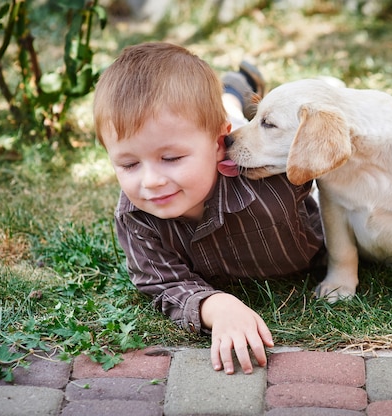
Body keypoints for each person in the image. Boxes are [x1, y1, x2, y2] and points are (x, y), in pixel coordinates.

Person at [92, 42, 325, 376]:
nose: (151, 181)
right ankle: (234, 89)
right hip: (216, 136)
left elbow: (344, 143)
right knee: (225, 115)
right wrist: (217, 307)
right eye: (128, 164)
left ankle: (233, 93)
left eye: (170, 159)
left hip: (233, 144)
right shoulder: (136, 217)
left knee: (232, 120)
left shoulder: (269, 180)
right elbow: (162, 283)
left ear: (219, 145)